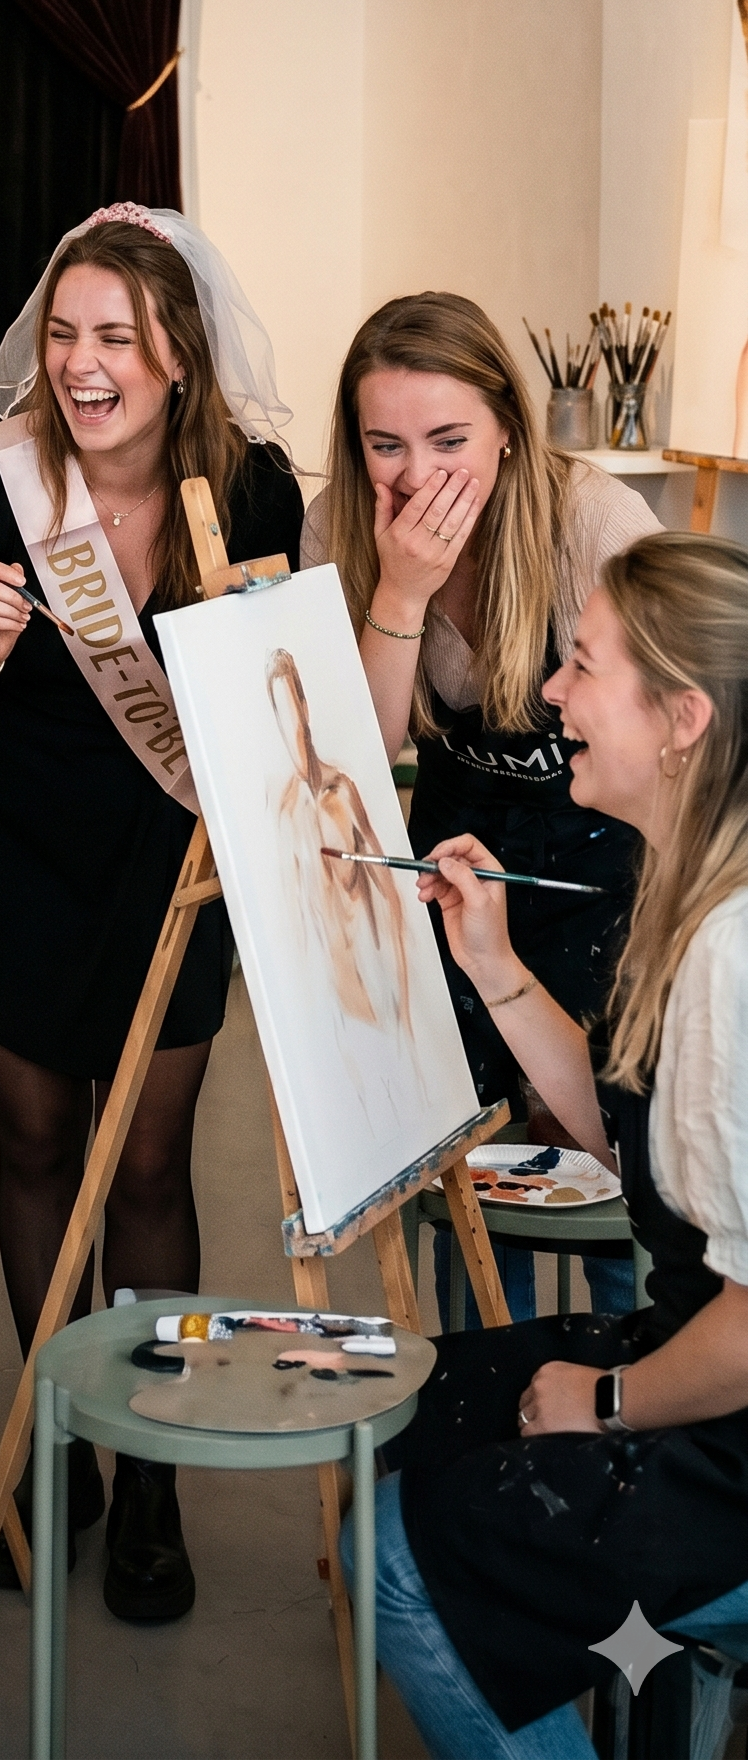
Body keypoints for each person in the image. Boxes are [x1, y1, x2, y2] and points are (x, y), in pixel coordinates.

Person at [0, 204, 302, 1623]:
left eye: (116, 339)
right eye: (65, 333)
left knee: (145, 1166)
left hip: (166, 858)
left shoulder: (252, 489)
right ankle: (55, 1437)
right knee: (36, 1150)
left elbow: (281, 695)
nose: (81, 364)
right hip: (13, 846)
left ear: (178, 354)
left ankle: (148, 1475)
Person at [346, 529, 748, 1760]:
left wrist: (607, 1401)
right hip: (703, 1348)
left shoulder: (733, 951)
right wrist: (494, 964)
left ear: (682, 720)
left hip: (731, 1414)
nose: (552, 696)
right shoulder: (684, 879)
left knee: (396, 1554)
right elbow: (638, 1140)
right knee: (410, 1411)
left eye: (584, 665)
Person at [302, 292, 656, 1320]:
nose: (417, 477)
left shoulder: (593, 524)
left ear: (507, 425)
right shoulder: (335, 527)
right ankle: (479, 1367)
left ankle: (628, 1367)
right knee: (461, 1152)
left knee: (610, 1152)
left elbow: (673, 737)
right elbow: (359, 766)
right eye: (386, 445)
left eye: (449, 440)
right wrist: (401, 594)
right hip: (457, 859)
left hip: (605, 861)